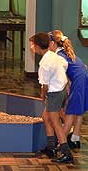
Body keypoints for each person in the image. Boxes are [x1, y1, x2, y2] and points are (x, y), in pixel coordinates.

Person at [48, 30, 88, 149]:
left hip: (79, 82)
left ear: (52, 43)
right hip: (85, 78)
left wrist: (68, 92)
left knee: (70, 112)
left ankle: (61, 143)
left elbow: (64, 79)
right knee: (78, 111)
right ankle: (75, 138)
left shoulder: (58, 57)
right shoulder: (67, 52)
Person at [29, 32, 73, 163]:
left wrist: (44, 96)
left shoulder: (44, 63)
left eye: (32, 45)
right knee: (46, 117)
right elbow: (65, 64)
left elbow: (45, 86)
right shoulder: (54, 56)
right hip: (61, 91)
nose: (31, 48)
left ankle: (66, 152)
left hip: (54, 94)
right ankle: (50, 147)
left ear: (37, 46)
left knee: (55, 122)